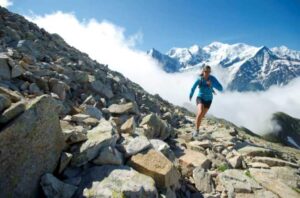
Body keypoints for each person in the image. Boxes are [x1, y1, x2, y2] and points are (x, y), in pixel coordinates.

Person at [189, 65, 223, 137]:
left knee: (202, 115)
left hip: (209, 100)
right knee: (200, 112)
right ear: (203, 71)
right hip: (200, 97)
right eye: (205, 71)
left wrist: (212, 84)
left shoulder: (212, 79)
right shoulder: (199, 79)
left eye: (208, 72)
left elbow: (221, 88)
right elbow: (193, 87)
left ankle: (196, 124)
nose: (207, 73)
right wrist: (191, 95)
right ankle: (196, 131)